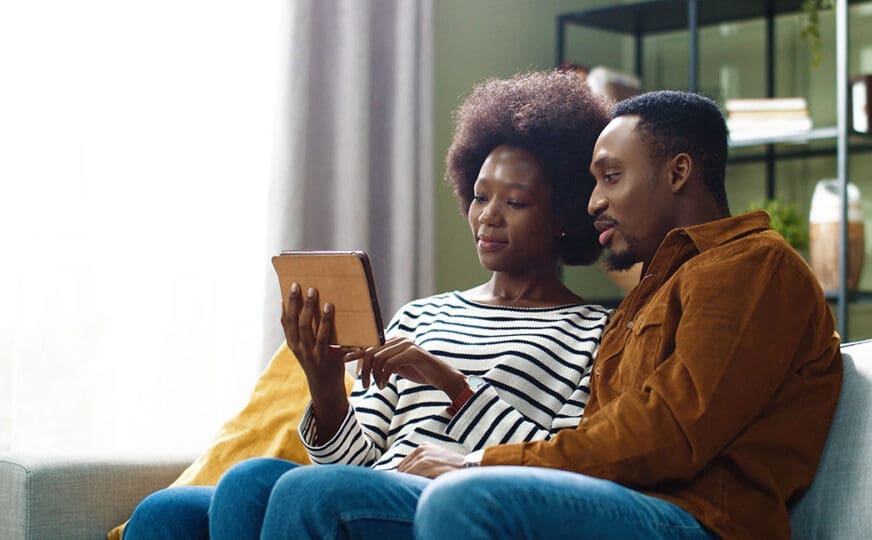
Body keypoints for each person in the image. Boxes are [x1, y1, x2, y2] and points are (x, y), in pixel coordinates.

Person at [254, 90, 845, 539]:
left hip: (698, 519)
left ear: (679, 172)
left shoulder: (751, 267)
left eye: (611, 177)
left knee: (460, 500)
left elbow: (667, 434)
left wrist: (479, 460)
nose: (593, 202)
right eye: (592, 181)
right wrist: (329, 388)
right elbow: (597, 435)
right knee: (251, 484)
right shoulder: (651, 294)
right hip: (629, 495)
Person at [123, 70, 613, 539]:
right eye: (481, 196)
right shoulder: (421, 315)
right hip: (363, 495)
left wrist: (452, 385)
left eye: (516, 203)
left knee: (299, 491)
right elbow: (350, 466)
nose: (488, 216)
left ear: (565, 216)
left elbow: (560, 465)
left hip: (454, 504)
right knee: (188, 504)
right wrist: (323, 380)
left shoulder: (595, 334)